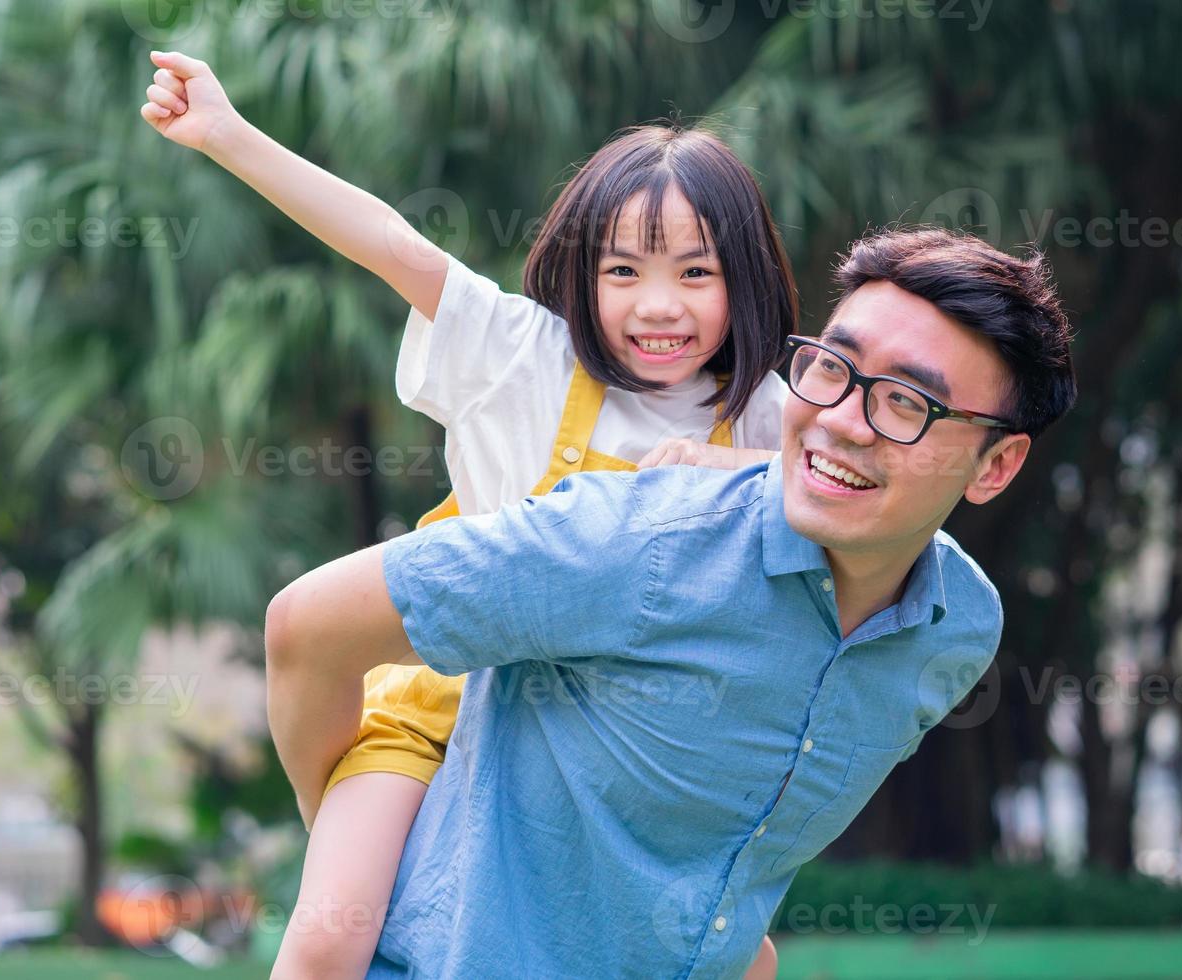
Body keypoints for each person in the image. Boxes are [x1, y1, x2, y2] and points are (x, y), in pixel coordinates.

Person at [263, 226, 1078, 977]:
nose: (841, 422)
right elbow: (308, 627)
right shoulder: (633, 540)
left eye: (906, 401)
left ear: (995, 467)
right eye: (832, 367)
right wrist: (336, 814)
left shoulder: (955, 626)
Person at [139, 50, 797, 977]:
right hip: (437, 712)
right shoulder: (521, 355)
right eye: (623, 271)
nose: (660, 306)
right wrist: (228, 135)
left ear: (746, 278)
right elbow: (389, 244)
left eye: (697, 272)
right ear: (582, 275)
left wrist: (733, 476)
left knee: (744, 962)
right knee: (331, 935)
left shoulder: (770, 416)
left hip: (611, 754)